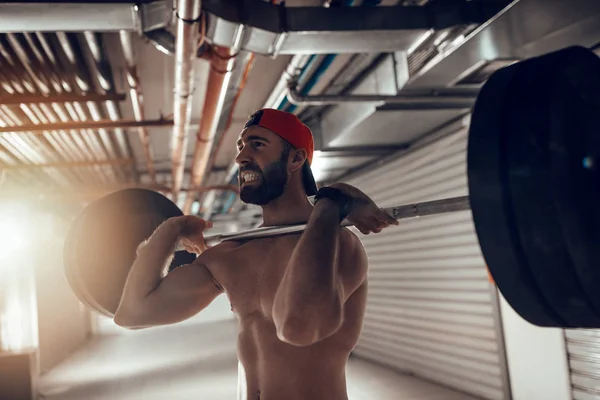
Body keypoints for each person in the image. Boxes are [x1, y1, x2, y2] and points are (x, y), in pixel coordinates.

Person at [114, 109, 398, 400]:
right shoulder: (231, 256)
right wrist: (172, 228)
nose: (240, 157)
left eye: (257, 144)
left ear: (296, 159)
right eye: (241, 146)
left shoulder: (339, 244)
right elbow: (133, 312)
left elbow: (300, 327)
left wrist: (329, 203)